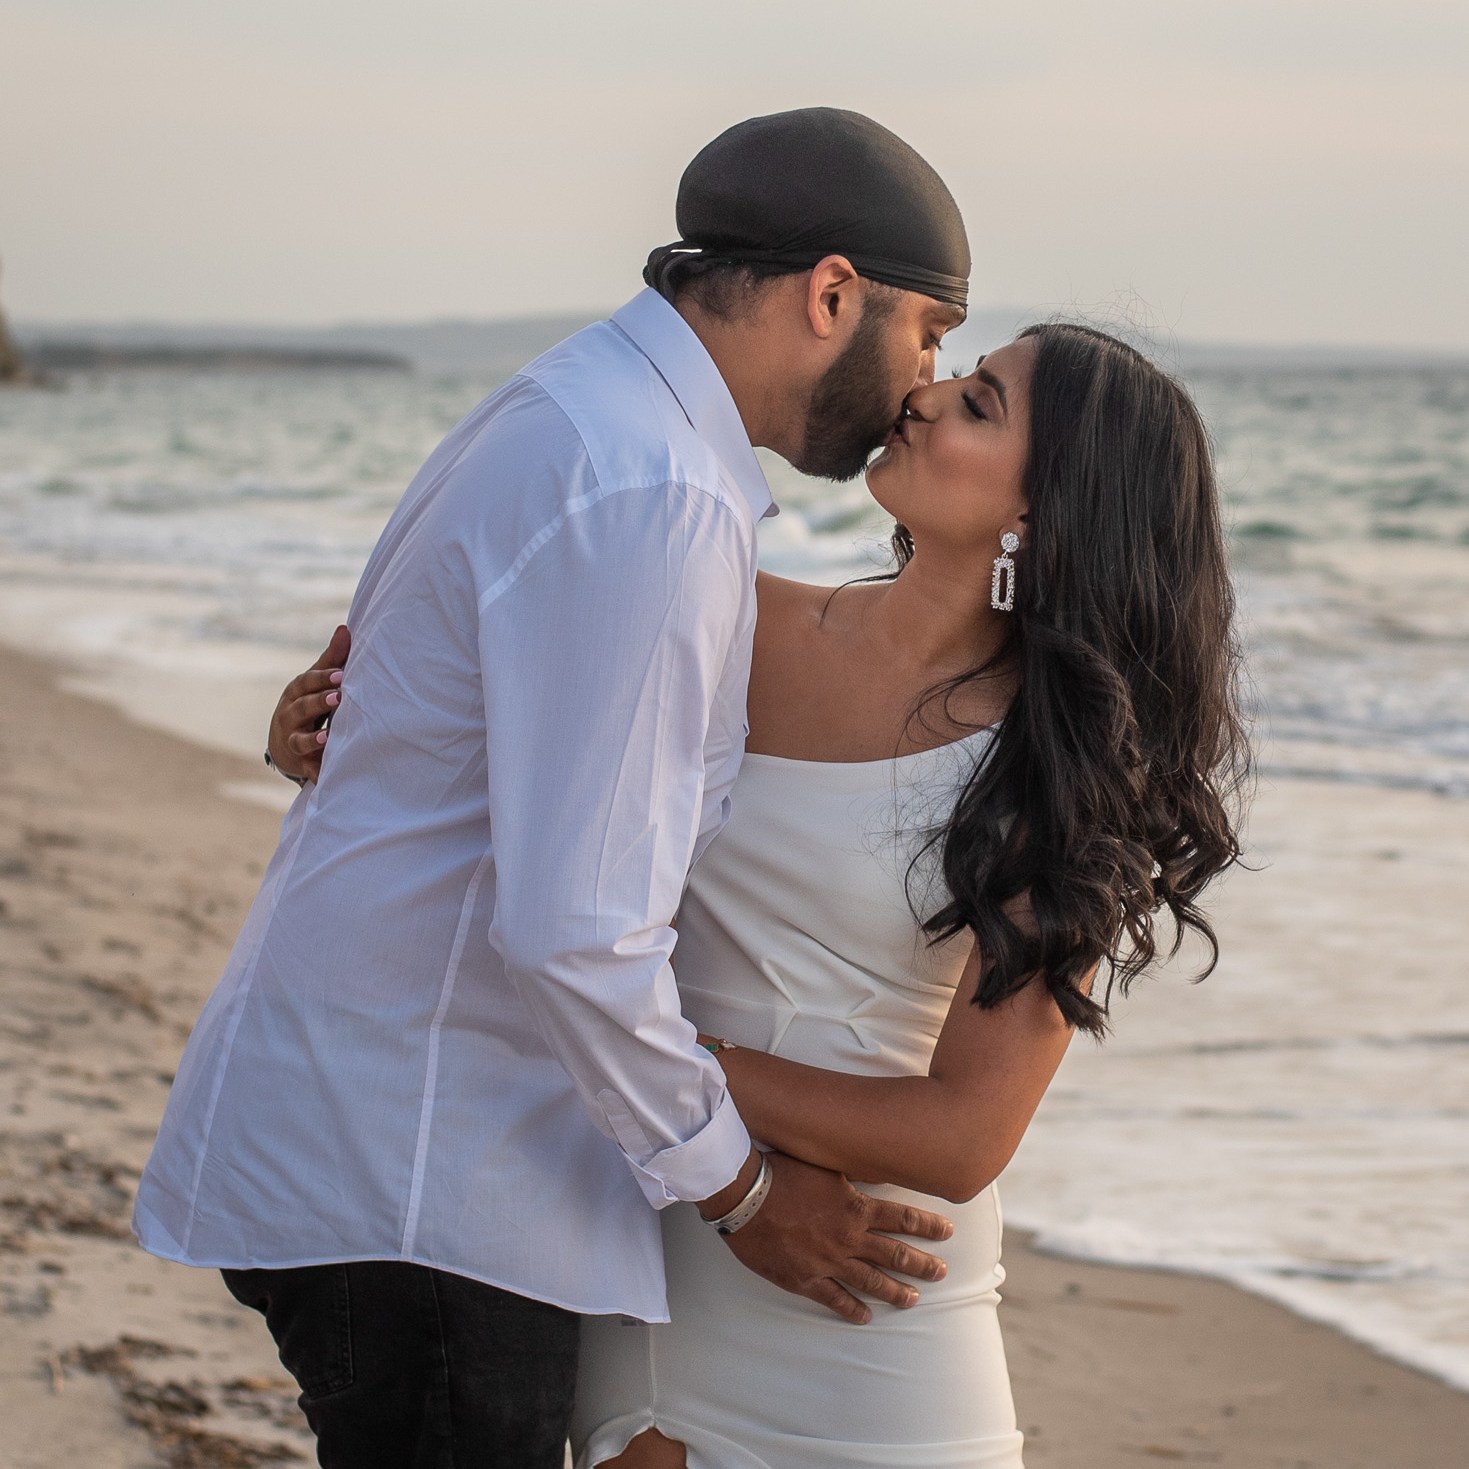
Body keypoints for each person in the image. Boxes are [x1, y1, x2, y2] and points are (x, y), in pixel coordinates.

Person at [133, 107, 976, 1469]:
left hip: (393, 1136)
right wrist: (741, 1189)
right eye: (928, 333)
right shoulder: (653, 488)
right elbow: (577, 930)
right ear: (833, 294)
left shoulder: (578, 407)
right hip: (431, 1168)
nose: (927, 378)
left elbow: (412, 707)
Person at [272, 322, 1250, 1466]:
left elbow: (962, 1130)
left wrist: (658, 1055)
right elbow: (506, 767)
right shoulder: (727, 613)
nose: (925, 396)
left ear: (1042, 506)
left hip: (864, 1289)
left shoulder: (1059, 762)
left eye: (979, 402)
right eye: (954, 374)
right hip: (644, 1241)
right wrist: (332, 731)